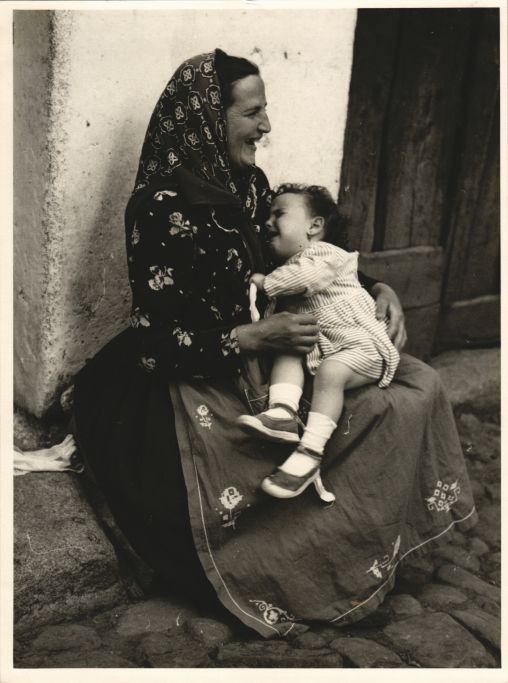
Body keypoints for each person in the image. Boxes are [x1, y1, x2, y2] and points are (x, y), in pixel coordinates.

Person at [72, 48, 477, 639]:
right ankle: (305, 558)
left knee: (413, 387)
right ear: (208, 120)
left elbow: (300, 259)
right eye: (252, 113)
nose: (266, 126)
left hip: (275, 351)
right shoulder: (158, 208)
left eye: (264, 111)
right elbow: (153, 342)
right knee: (276, 441)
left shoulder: (250, 185)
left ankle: (348, 543)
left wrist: (376, 287)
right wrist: (252, 336)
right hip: (194, 370)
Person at [237, 184, 399, 500]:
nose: (267, 223)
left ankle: (310, 453)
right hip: (328, 344)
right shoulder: (293, 264)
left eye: (279, 214)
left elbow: (305, 278)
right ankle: (282, 411)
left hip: (363, 345)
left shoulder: (325, 254)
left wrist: (265, 282)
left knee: (331, 372)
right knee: (288, 347)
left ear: (314, 226)